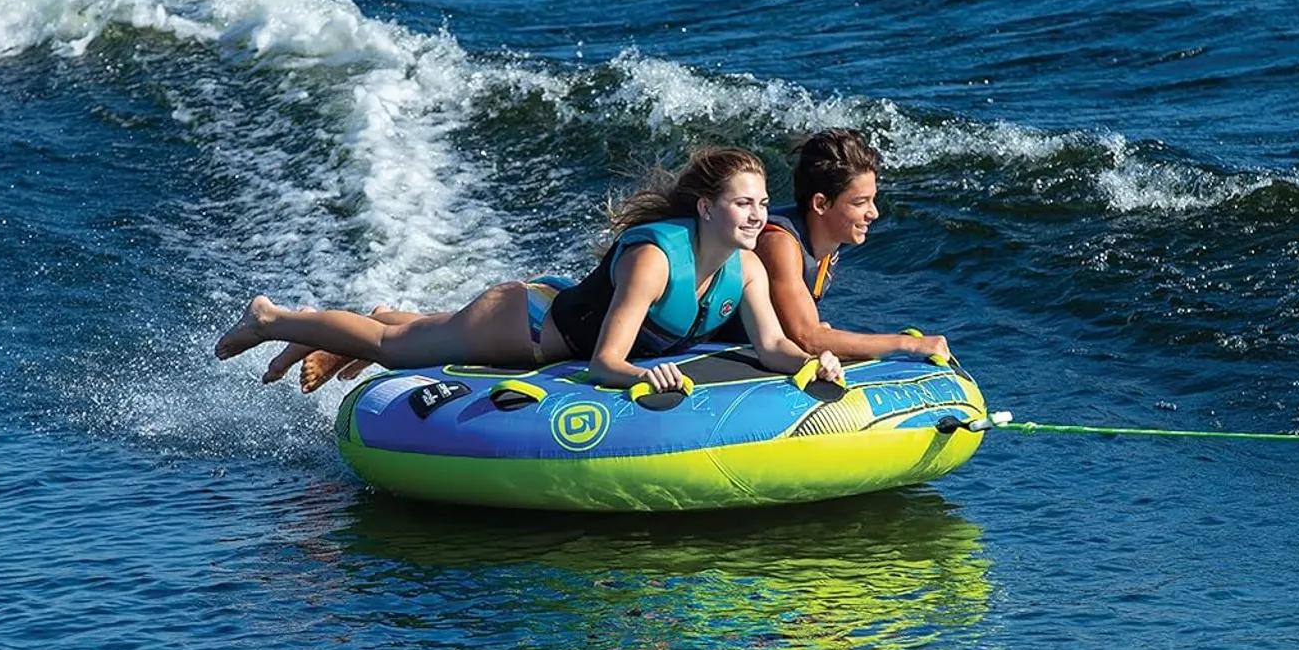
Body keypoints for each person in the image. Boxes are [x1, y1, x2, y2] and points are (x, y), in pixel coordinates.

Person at [213, 147, 843, 394]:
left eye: (763, 203)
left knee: (411, 331)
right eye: (743, 203)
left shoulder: (749, 269)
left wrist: (814, 362)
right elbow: (607, 363)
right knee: (394, 348)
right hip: (530, 326)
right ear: (706, 208)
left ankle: (346, 322)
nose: (759, 216)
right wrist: (649, 380)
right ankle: (272, 318)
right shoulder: (655, 261)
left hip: (566, 310)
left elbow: (774, 346)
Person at [712, 128, 951, 362]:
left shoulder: (826, 243)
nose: (874, 213)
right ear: (821, 204)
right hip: (704, 352)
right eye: (860, 202)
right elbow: (809, 339)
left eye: (873, 200)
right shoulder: (779, 243)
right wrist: (908, 344)